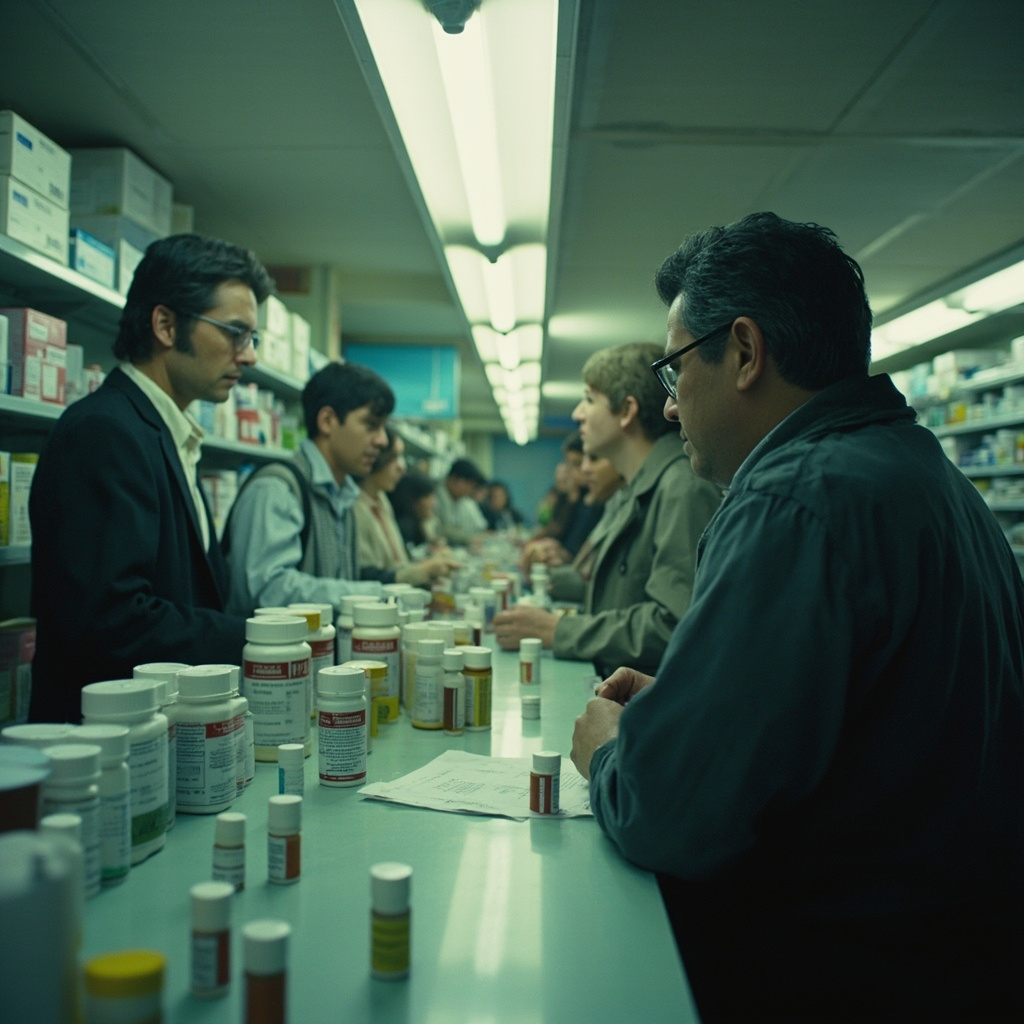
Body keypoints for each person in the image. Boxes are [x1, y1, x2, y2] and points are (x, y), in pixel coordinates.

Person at [570, 212, 1024, 1023]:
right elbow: (873, 710)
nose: (670, 409)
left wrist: (611, 754)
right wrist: (690, 692)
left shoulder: (794, 497)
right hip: (958, 967)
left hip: (836, 974)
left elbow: (670, 813)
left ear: (743, 352)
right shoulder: (931, 480)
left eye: (673, 375)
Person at [28, 233, 274, 723]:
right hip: (102, 750)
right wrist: (260, 639)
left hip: (159, 737)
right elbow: (111, 621)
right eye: (234, 333)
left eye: (252, 338)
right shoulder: (105, 432)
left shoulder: (166, 433)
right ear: (165, 324)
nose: (249, 356)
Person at [493, 341, 722, 677]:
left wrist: (557, 631)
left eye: (589, 399)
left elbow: (675, 622)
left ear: (627, 412)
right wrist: (553, 580)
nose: (577, 414)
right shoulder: (636, 489)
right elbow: (622, 595)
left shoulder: (680, 487)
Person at [225, 361, 391, 614]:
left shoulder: (344, 497)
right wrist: (370, 595)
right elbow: (266, 590)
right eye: (371, 425)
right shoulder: (277, 490)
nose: (382, 440)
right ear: (327, 421)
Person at [353, 427, 459, 586]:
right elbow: (363, 574)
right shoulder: (353, 506)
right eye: (393, 457)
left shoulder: (382, 501)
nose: (401, 467)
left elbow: (395, 563)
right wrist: (420, 571)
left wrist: (428, 564)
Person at [547, 454, 625, 605]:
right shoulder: (609, 504)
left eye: (594, 459)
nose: (585, 469)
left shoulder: (600, 506)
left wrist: (553, 575)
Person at [433, 457, 489, 546]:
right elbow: (437, 529)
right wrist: (467, 538)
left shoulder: (462, 500)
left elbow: (477, 528)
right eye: (469, 485)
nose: (470, 490)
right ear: (453, 479)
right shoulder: (433, 497)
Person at [391, 469, 442, 549]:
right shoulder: (403, 531)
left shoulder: (420, 525)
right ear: (413, 501)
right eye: (427, 497)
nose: (433, 503)